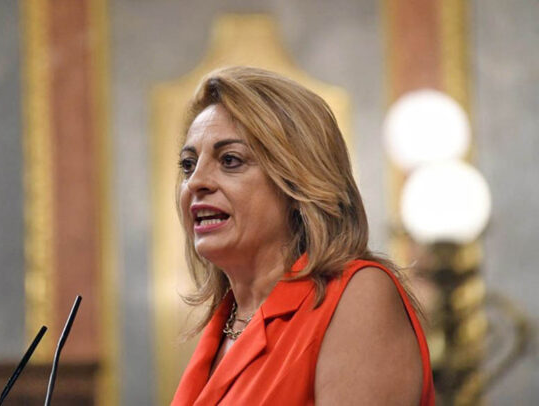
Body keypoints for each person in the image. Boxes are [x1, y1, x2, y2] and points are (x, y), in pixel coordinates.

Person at [171, 66, 434, 405]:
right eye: (188, 165)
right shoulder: (225, 322)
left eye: (230, 160)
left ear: (297, 184)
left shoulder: (355, 296)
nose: (195, 182)